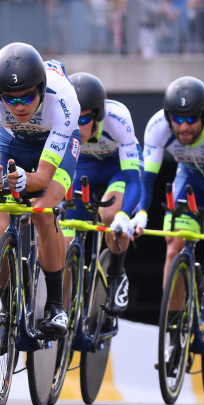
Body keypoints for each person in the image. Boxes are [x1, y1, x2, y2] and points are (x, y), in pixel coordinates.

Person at [132, 76, 204, 337]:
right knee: (173, 247)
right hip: (189, 181)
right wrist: (141, 211)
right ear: (168, 117)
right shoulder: (157, 128)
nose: (183, 127)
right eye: (177, 119)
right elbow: (147, 178)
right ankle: (174, 326)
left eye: (190, 120)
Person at [0, 43, 81, 337]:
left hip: (55, 144)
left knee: (42, 210)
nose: (20, 106)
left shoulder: (63, 98)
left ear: (41, 88)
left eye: (27, 96)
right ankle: (0, 303)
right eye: (11, 100)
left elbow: (41, 179)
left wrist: (28, 182)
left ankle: (55, 306)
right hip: (12, 141)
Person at [66, 72, 142, 316]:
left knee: (110, 213)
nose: (76, 127)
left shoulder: (118, 119)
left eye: (84, 119)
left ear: (97, 115)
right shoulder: (60, 118)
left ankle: (117, 273)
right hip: (83, 169)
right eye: (72, 119)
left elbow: (133, 181)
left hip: (117, 170)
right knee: (62, 244)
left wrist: (123, 215)